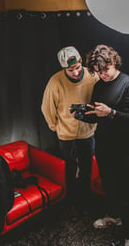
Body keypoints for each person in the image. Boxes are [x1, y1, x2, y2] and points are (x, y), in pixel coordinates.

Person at [84, 44, 129, 246]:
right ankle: (113, 216)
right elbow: (97, 116)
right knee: (108, 186)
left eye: (105, 70)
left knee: (126, 192)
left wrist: (110, 112)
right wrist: (84, 115)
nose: (103, 75)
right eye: (98, 72)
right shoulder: (99, 85)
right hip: (102, 144)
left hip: (122, 148)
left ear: (113, 62)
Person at [41, 46, 99, 210]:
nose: (74, 72)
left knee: (88, 168)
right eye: (70, 70)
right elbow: (47, 108)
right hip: (66, 134)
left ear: (81, 62)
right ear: (63, 68)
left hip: (88, 132)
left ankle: (87, 198)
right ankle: (71, 202)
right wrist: (55, 127)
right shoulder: (55, 81)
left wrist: (94, 121)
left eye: (77, 68)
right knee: (69, 169)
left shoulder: (92, 76)